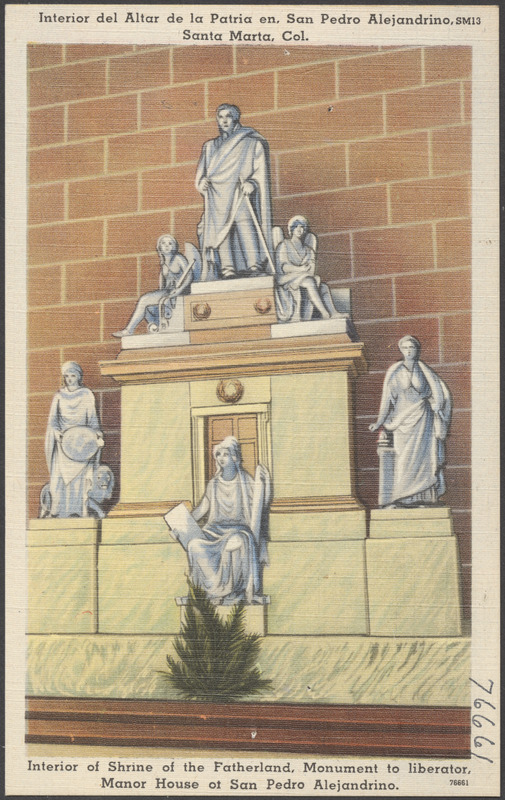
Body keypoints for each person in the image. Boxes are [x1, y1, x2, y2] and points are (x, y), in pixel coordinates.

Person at [369, 336, 452, 507]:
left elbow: (437, 394)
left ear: (417, 350)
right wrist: (379, 422)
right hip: (402, 423)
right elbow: (387, 401)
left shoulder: (424, 371)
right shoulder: (395, 373)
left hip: (423, 419)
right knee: (404, 460)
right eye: (405, 347)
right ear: (401, 350)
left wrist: (435, 405)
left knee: (425, 460)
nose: (409, 351)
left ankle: (424, 498)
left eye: (412, 348)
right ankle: (403, 497)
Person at [186, 437, 271, 604]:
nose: (221, 458)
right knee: (194, 546)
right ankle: (210, 592)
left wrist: (265, 483)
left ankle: (232, 590)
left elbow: (260, 505)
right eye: (218, 454)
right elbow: (202, 510)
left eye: (226, 454)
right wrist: (181, 524)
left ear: (235, 457)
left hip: (239, 530)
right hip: (214, 531)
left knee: (236, 542)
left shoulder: (245, 480)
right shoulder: (214, 484)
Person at [195, 103, 274, 280]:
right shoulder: (210, 147)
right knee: (222, 230)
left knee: (245, 224)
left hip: (239, 191)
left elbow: (259, 170)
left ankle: (255, 264)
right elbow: (202, 173)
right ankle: (227, 268)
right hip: (218, 195)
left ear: (235, 119)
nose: (224, 121)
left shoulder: (250, 143)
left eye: (228, 117)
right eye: (220, 117)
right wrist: (202, 183)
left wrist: (252, 183)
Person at [44, 362, 103, 517]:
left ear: (78, 376)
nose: (70, 379)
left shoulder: (86, 395)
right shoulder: (59, 396)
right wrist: (56, 432)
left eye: (73, 376)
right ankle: (59, 512)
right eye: (67, 376)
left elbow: (93, 420)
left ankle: (79, 512)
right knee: (59, 481)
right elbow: (53, 421)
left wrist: (96, 435)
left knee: (80, 482)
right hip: (63, 445)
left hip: (82, 446)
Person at [112, 235, 192, 337]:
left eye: (170, 243)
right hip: (168, 291)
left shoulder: (178, 258)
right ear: (159, 247)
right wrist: (161, 297)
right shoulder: (164, 263)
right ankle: (147, 327)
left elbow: (189, 276)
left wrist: (179, 290)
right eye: (163, 243)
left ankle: (129, 330)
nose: (167, 246)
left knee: (144, 300)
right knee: (146, 302)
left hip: (181, 291)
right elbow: (162, 285)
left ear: (174, 247)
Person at [274, 216, 343, 322]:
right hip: (287, 279)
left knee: (323, 286)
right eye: (296, 226)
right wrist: (300, 269)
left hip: (303, 277)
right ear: (291, 229)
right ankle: (325, 314)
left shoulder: (308, 250)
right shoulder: (284, 245)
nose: (299, 229)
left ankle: (333, 312)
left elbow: (311, 270)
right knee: (310, 282)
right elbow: (284, 267)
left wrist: (303, 271)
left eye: (302, 227)